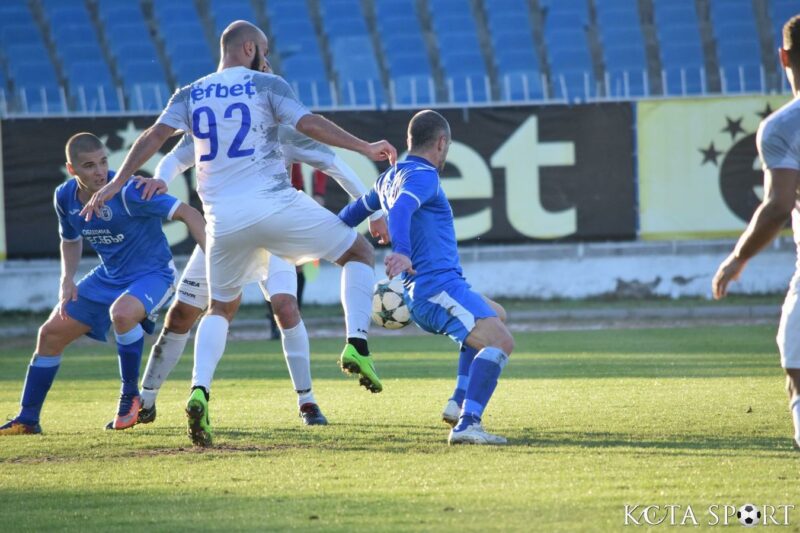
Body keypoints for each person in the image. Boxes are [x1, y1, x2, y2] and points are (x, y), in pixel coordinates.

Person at [81, 21, 396, 447]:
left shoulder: (191, 94)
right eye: (263, 50)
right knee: (355, 254)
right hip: (274, 211)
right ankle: (355, 342)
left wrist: (120, 182)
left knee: (234, 309)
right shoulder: (269, 88)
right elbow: (313, 129)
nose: (267, 58)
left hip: (224, 224)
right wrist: (367, 163)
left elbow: (158, 137)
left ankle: (254, 396)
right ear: (249, 48)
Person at [134, 127, 387, 427]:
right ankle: (146, 400)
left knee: (281, 307)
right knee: (181, 314)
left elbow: (328, 160)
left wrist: (160, 178)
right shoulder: (213, 122)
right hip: (232, 227)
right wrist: (374, 211)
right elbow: (176, 155)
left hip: (264, 226)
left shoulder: (274, 124)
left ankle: (306, 401)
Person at [0, 132, 205, 435]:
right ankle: (28, 419)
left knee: (122, 313)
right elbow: (70, 239)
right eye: (89, 165)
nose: (99, 171)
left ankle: (129, 397)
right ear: (72, 169)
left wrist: (215, 263)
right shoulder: (64, 196)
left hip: (153, 274)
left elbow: (189, 213)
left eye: (103, 162)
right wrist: (67, 280)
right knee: (50, 334)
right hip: (109, 276)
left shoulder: (130, 190)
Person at [338, 110, 514, 445]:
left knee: (497, 314)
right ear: (441, 142)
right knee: (501, 342)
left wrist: (318, 239)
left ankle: (458, 401)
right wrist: (402, 251)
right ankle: (467, 424)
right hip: (435, 288)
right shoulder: (425, 176)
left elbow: (352, 213)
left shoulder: (388, 178)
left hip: (439, 288)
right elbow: (402, 209)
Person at [712, 15, 800, 451]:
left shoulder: (785, 126)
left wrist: (738, 257)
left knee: (796, 366)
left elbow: (778, 206)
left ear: (783, 56)